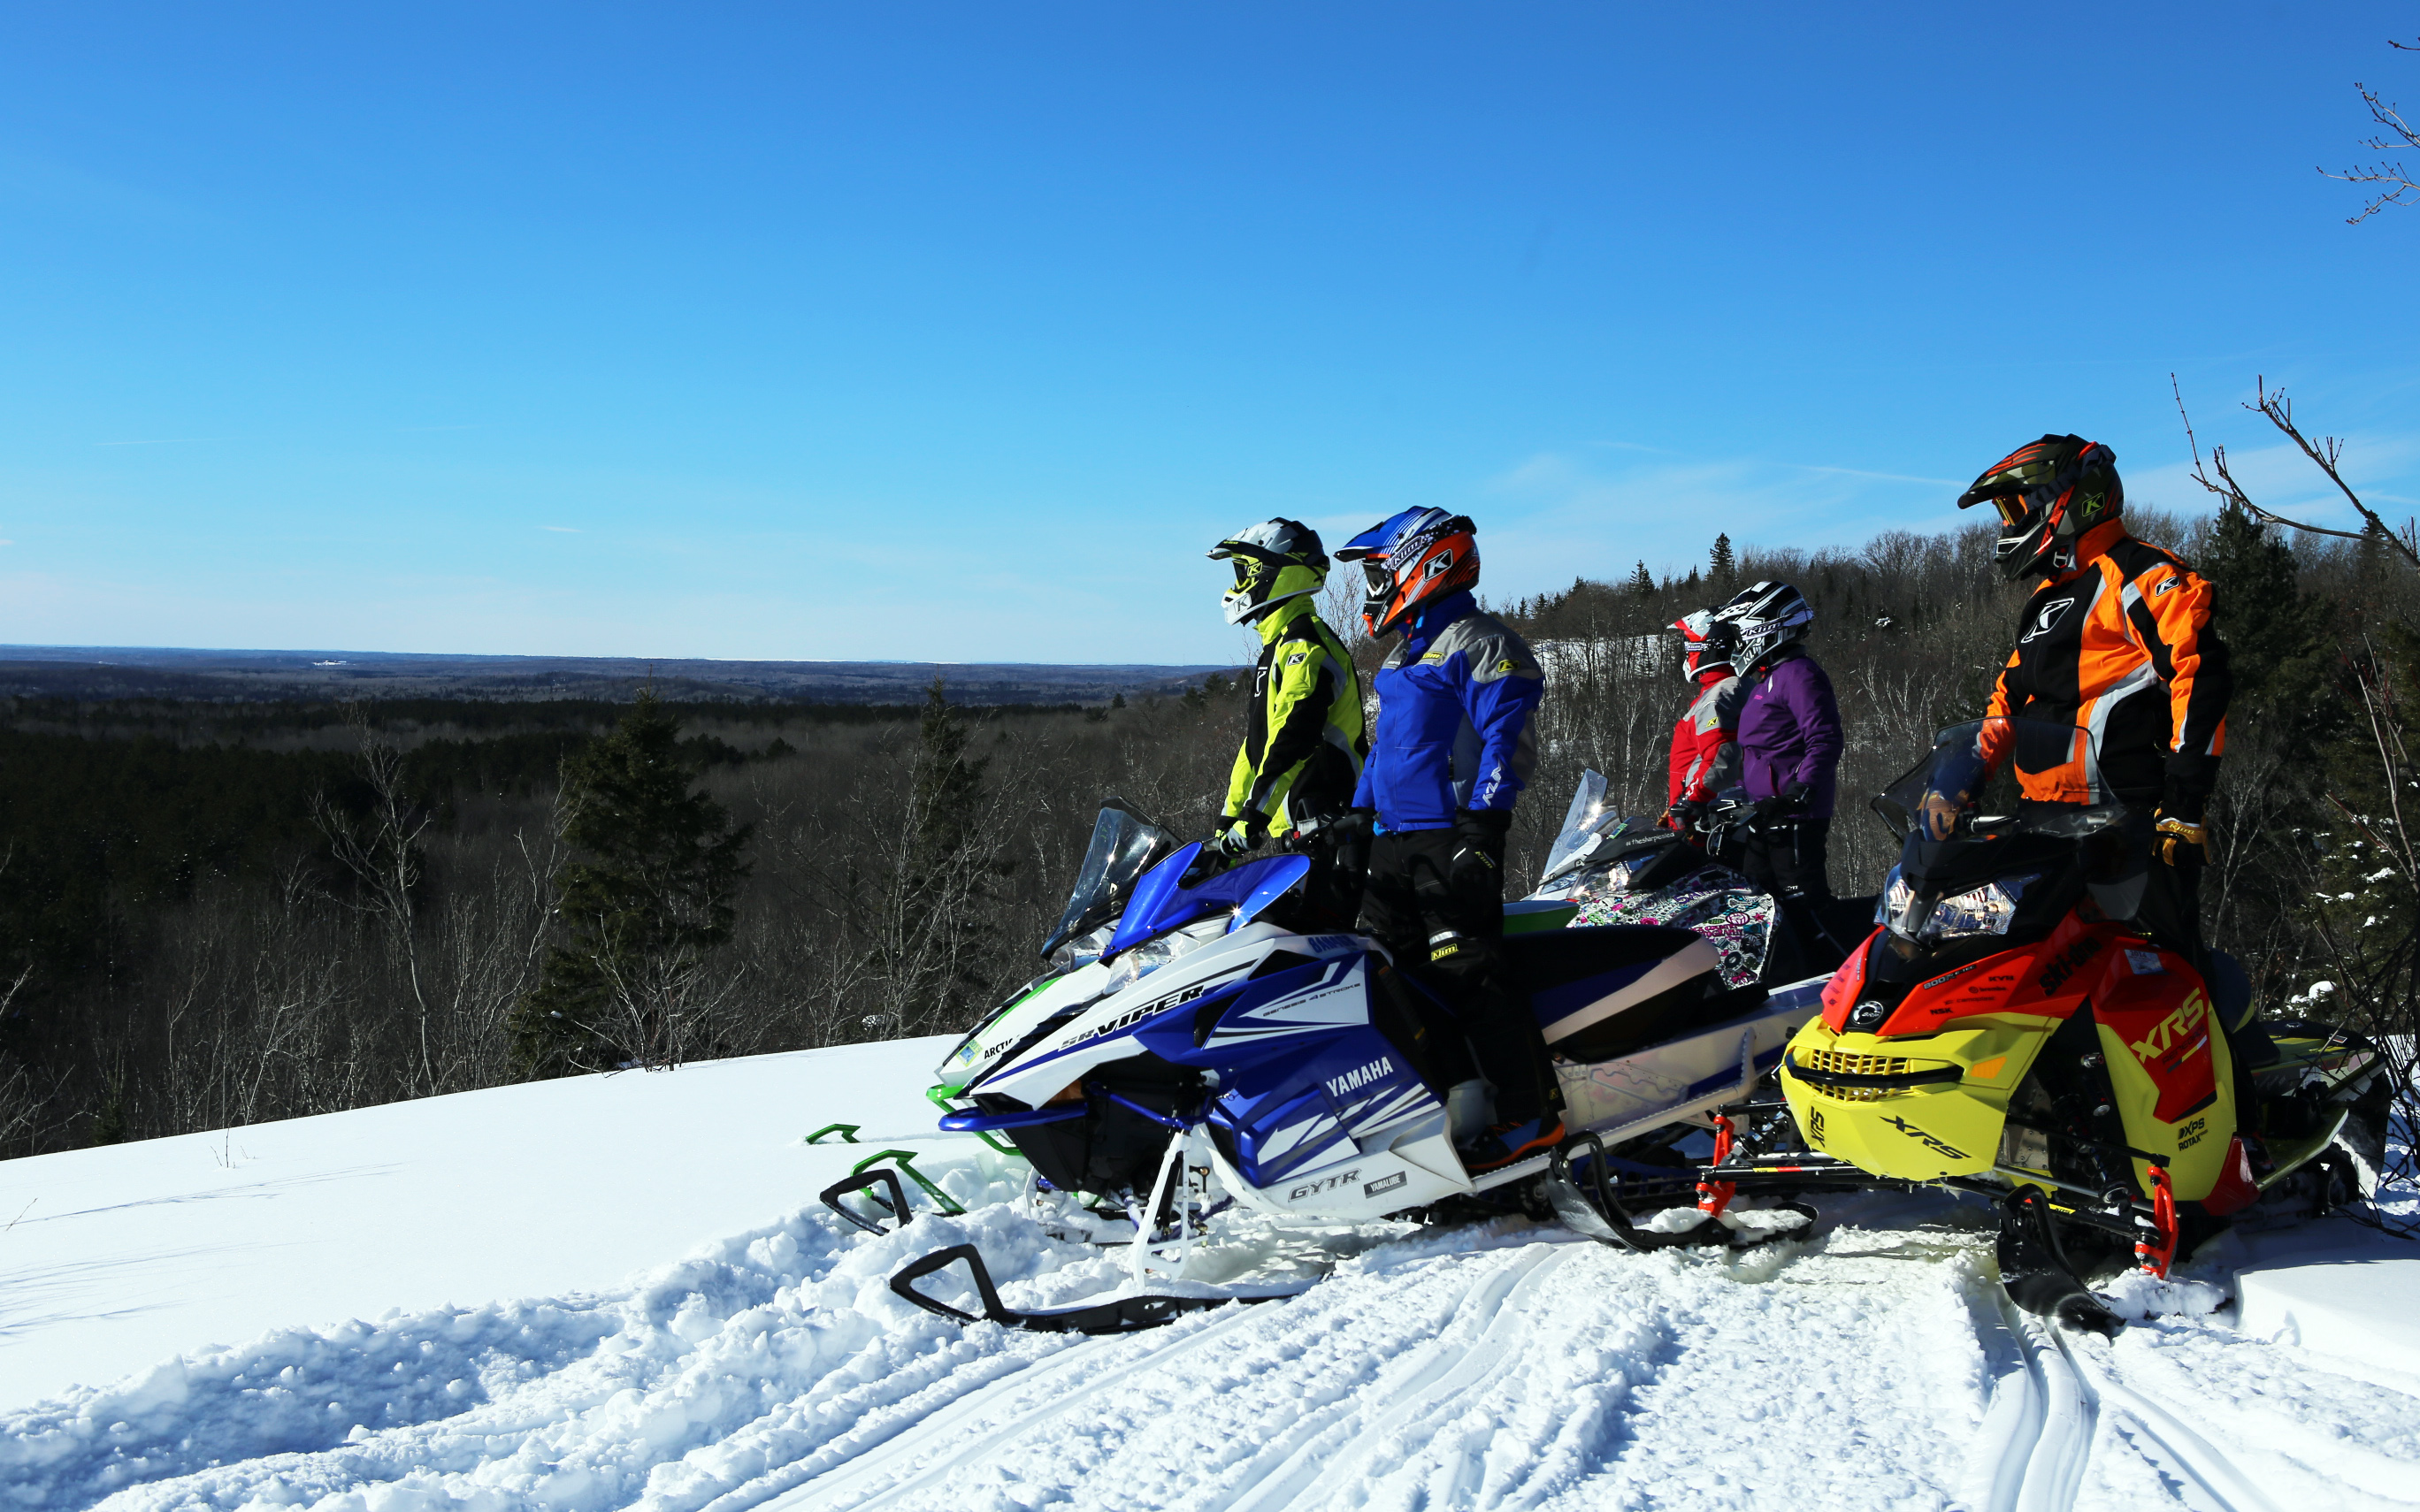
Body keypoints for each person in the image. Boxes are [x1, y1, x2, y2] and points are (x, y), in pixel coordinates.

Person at [1332, 508, 1554, 1173]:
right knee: (1392, 982)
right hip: (1393, 845)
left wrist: (1485, 826)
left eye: (1379, 571)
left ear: (1424, 562)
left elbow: (1507, 738)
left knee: (1470, 976)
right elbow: (1389, 752)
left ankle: (1531, 1114)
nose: (1374, 587)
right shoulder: (1407, 651)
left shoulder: (1478, 640)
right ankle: (1445, 1108)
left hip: (1451, 837)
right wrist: (1355, 818)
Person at [1957, 433, 2232, 969]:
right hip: (2041, 819)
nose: (2009, 525)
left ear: (2067, 498)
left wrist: (2183, 802)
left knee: (2164, 970)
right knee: (2034, 969)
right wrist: (1964, 779)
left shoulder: (2142, 573)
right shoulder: (2046, 598)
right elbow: (2008, 698)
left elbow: (2196, 673)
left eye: (2016, 509)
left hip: (2127, 819)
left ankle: (2229, 1050)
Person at [1203, 520, 1369, 928]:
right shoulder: (1276, 649)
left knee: (1322, 955)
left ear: (1278, 572)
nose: (1237, 585)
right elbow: (1257, 745)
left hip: (1331, 825)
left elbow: (1294, 740)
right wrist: (1231, 817)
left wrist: (1253, 817)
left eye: (1245, 573)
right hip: (1297, 831)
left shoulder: (1306, 647)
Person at [1714, 580, 1849, 965]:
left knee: (1806, 906)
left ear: (1764, 627)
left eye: (1742, 632)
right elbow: (1759, 754)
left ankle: (1842, 975)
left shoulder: (1798, 674)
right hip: (1765, 816)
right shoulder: (1765, 681)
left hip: (1794, 816)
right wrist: (1733, 800)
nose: (1738, 642)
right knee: (1757, 907)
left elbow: (1824, 738)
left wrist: (1800, 790)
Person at [1664, 608, 1746, 844]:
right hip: (1703, 814)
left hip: (1706, 822)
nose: (1687, 651)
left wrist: (1691, 801)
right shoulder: (1731, 686)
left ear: (1708, 647)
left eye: (1690, 644)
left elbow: (1721, 757)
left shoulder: (1720, 694)